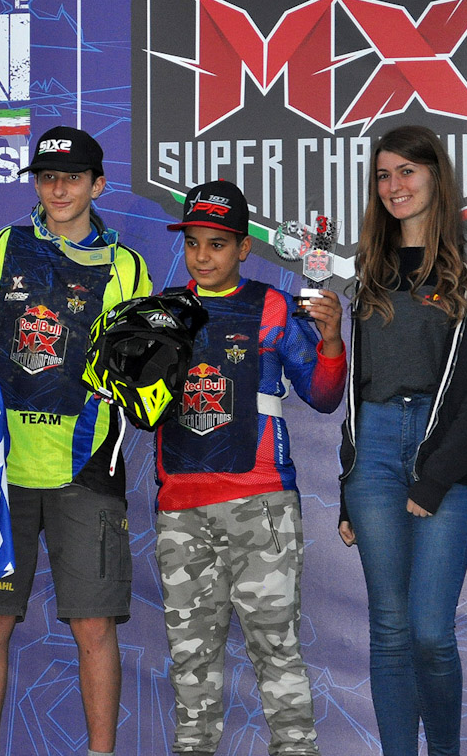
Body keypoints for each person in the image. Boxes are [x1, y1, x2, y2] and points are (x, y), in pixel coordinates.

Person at [0, 125, 152, 756]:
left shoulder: (127, 266)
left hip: (87, 467)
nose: (58, 189)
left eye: (72, 178)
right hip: (1, 468)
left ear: (97, 185)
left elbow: (140, 370)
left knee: (94, 627)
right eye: (48, 177)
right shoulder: (6, 246)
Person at [337, 125, 467, 755]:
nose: (394, 186)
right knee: (389, 631)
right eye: (383, 175)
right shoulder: (368, 270)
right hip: (375, 452)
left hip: (449, 455)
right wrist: (348, 487)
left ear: (436, 175)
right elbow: (360, 383)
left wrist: (436, 476)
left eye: (407, 172)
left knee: (430, 632)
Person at [154, 180, 345, 756]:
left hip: (260, 504)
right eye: (192, 243)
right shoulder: (161, 311)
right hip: (180, 508)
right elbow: (133, 403)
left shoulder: (274, 306)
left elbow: (323, 395)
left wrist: (331, 340)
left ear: (244, 248)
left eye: (217, 244)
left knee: (276, 650)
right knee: (190, 661)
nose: (202, 256)